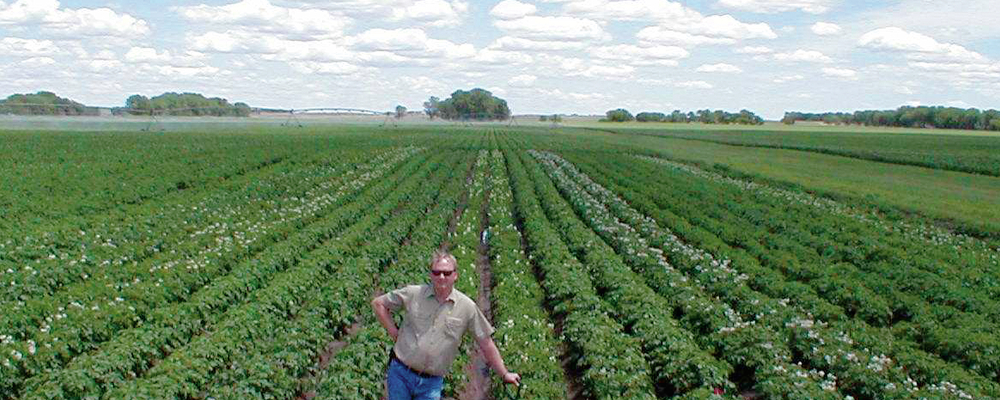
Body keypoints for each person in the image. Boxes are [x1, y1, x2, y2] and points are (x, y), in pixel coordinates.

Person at [372, 249, 520, 400]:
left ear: (455, 275)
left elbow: (486, 342)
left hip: (431, 384)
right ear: (430, 274)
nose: (441, 277)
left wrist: (504, 373)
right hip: (401, 374)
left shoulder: (467, 307)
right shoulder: (414, 294)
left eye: (447, 273)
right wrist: (395, 334)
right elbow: (379, 304)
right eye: (436, 272)